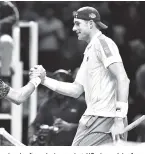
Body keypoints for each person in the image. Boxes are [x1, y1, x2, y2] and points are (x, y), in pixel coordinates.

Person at [30, 6, 130, 146]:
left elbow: (123, 78)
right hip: (94, 117)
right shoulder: (90, 49)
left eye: (77, 24)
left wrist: (119, 119)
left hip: (105, 118)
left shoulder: (103, 43)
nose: (73, 28)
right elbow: (76, 90)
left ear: (90, 23)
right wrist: (44, 80)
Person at [28, 69, 86, 146]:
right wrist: (32, 138)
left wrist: (70, 127)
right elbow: (34, 125)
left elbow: (90, 126)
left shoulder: (80, 103)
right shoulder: (47, 104)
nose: (59, 89)